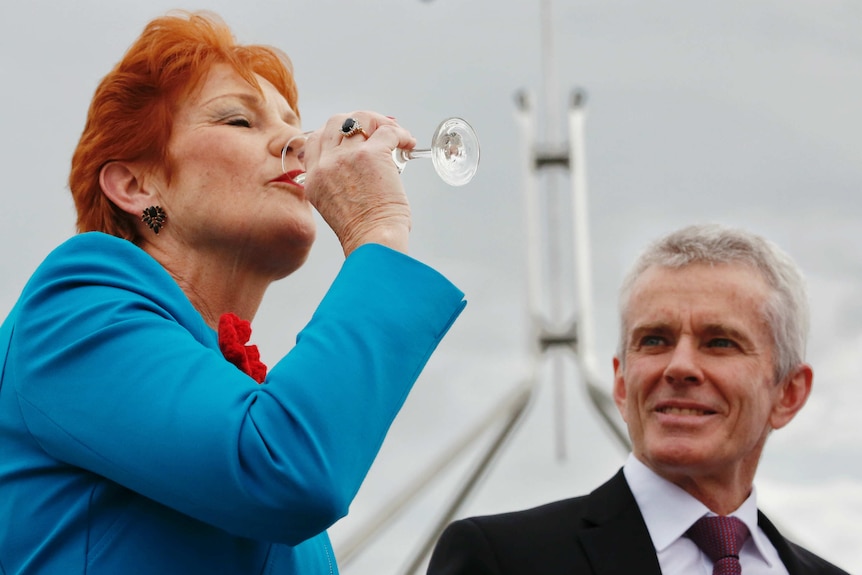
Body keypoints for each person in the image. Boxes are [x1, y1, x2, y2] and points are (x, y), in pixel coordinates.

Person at [0, 10, 466, 575]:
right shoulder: (74, 307)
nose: (298, 143)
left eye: (294, 123)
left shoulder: (238, 394)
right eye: (241, 122)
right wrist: (377, 230)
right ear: (135, 186)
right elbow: (285, 467)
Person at [427, 224, 849, 575]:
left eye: (719, 342)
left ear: (789, 393)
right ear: (622, 384)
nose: (679, 366)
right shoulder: (503, 561)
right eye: (654, 340)